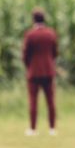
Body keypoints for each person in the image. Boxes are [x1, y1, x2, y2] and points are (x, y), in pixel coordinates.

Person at [22, 7, 58, 136]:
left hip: (34, 71)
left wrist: (28, 66)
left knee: (33, 101)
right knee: (51, 101)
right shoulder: (51, 34)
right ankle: (52, 128)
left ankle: (33, 129)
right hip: (48, 71)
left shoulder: (30, 35)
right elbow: (55, 53)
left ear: (33, 19)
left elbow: (25, 54)